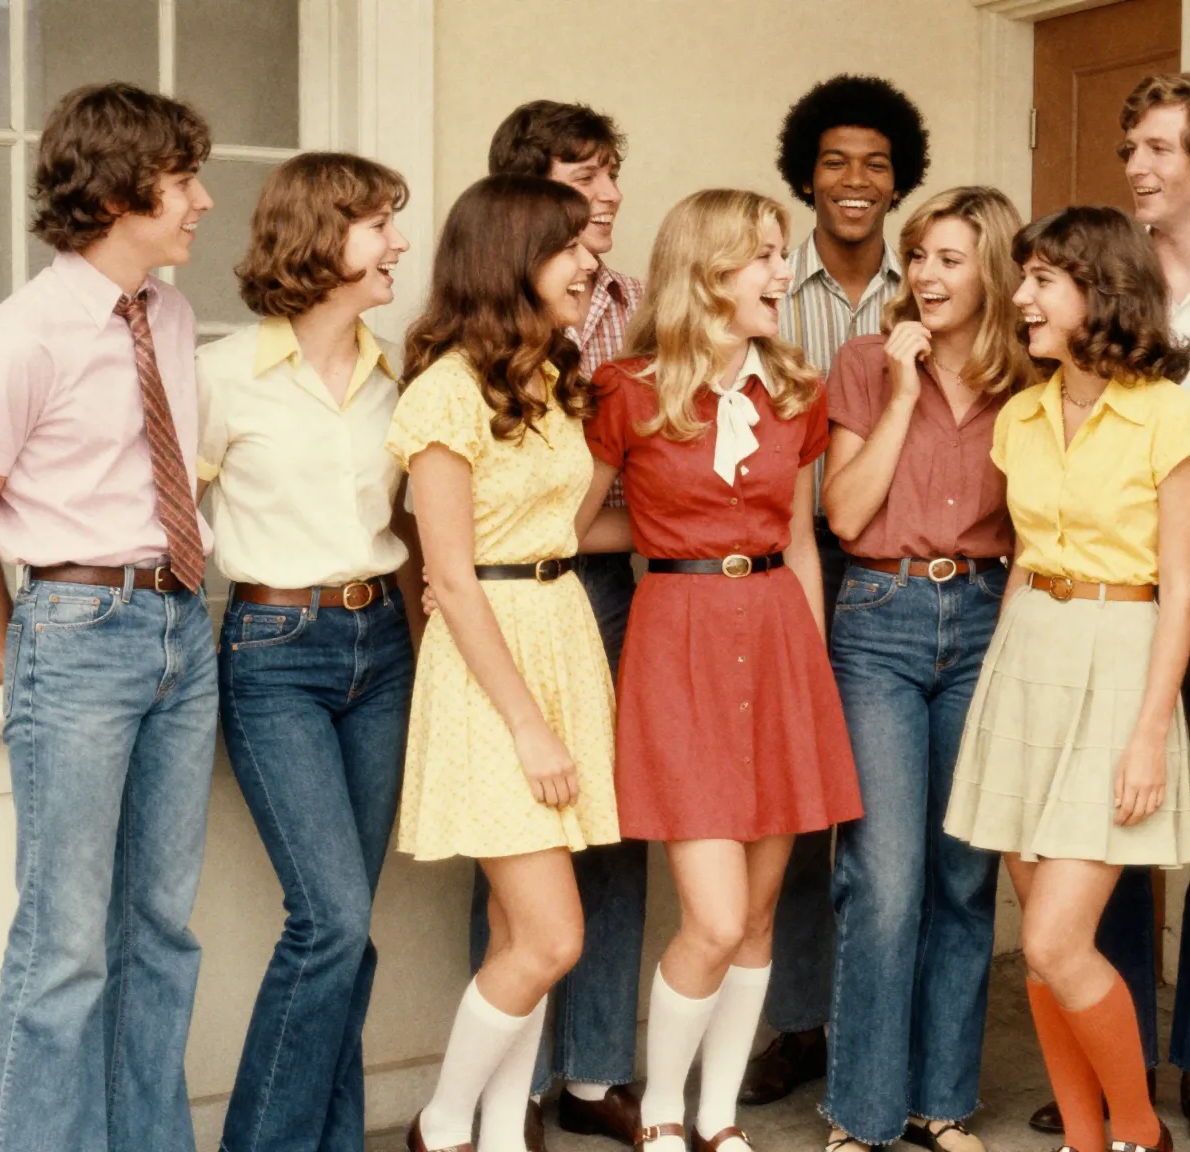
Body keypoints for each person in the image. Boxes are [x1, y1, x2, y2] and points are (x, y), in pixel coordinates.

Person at [0, 82, 216, 1152]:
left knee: (161, 929)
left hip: (183, 626)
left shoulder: (169, 316)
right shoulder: (18, 341)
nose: (202, 202)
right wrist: (31, 653)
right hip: (77, 629)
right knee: (64, 946)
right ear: (119, 193)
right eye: (182, 181)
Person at [587, 188, 861, 1152]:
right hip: (679, 644)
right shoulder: (626, 390)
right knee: (711, 918)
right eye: (768, 257)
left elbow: (802, 540)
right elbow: (574, 525)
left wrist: (814, 671)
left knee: (754, 917)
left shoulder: (796, 389)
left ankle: (717, 1118)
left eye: (783, 255)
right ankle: (663, 1112)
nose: (787, 272)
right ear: (708, 271)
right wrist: (670, 536)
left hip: (780, 643)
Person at [1035, 72, 1190, 1150]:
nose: (1135, 165)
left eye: (1159, 149)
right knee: (1110, 822)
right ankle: (1114, 1059)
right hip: (1117, 579)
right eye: (1130, 147)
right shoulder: (1105, 283)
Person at [944, 204, 1190, 1152]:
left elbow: (1182, 592)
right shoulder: (1021, 415)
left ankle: (1140, 1133)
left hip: (1121, 660)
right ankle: (1083, 1138)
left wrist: (1149, 735)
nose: (1021, 297)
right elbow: (1023, 558)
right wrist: (995, 687)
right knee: (1044, 946)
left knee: (1057, 941)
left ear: (1100, 290)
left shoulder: (1173, 417)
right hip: (1027, 658)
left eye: (1042, 280)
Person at [389, 174, 625, 1152]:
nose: (589, 262)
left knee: (515, 932)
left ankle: (495, 1134)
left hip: (559, 630)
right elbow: (449, 575)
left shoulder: (546, 380)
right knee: (553, 936)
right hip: (492, 667)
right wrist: (527, 724)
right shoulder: (445, 392)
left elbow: (559, 528)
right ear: (510, 260)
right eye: (567, 246)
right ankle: (441, 1126)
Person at [198, 150, 421, 1152]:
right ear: (321, 236)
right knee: (329, 921)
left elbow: (412, 529)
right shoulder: (219, 377)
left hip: (382, 650)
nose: (399, 243)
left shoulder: (397, 379)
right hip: (273, 651)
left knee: (349, 927)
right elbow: (169, 531)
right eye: (379, 224)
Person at [818, 186, 1038, 1152]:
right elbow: (843, 514)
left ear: (992, 271)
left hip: (988, 616)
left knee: (963, 877)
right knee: (885, 880)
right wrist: (904, 394)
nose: (927, 277)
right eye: (919, 258)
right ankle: (862, 1113)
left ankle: (939, 1103)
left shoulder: (1031, 381)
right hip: (880, 618)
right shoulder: (866, 364)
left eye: (950, 259)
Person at [752, 72, 933, 1107]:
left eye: (875, 163)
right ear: (805, 176)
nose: (854, 180)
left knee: (880, 817)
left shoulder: (929, 285)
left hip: (890, 563)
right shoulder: (772, 287)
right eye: (834, 162)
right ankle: (796, 1022)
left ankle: (881, 1026)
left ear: (899, 180)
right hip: (783, 554)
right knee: (792, 803)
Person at [482, 98, 650, 1146]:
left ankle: (595, 1074)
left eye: (612, 173)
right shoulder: (485, 314)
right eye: (586, 177)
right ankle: (516, 1085)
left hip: (615, 587)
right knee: (515, 834)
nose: (611, 196)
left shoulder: (639, 309)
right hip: (507, 592)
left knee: (613, 831)